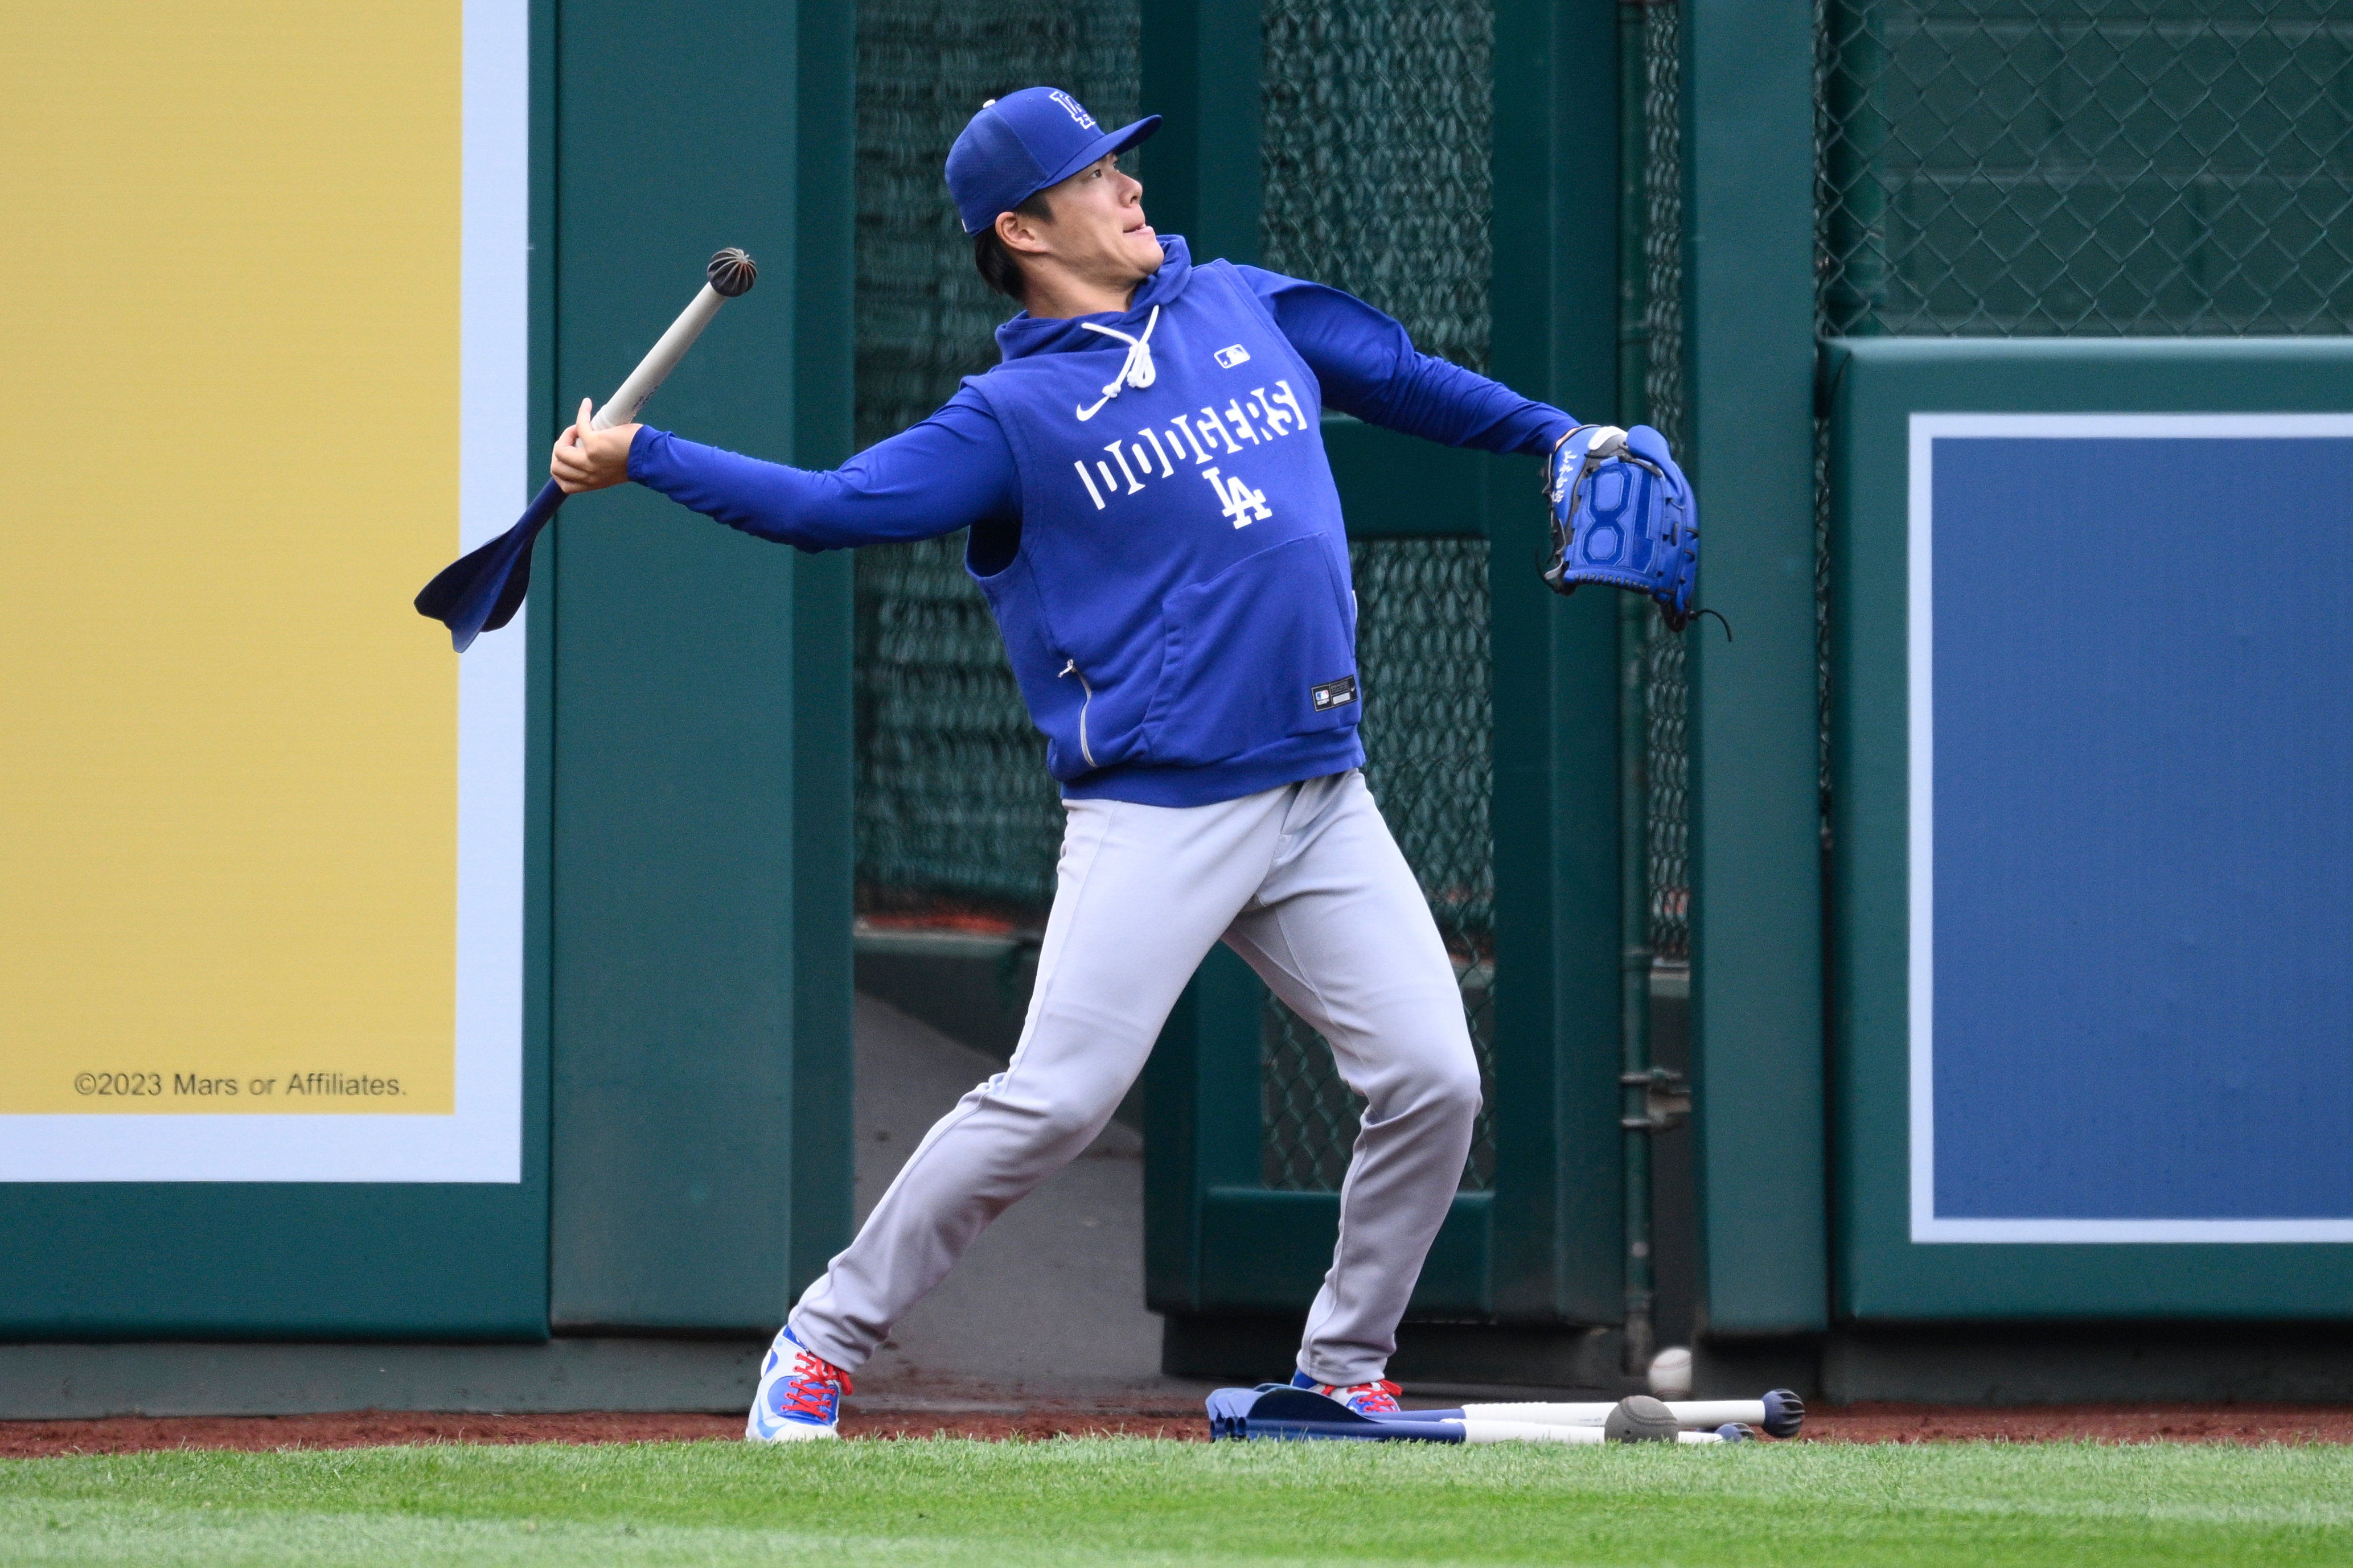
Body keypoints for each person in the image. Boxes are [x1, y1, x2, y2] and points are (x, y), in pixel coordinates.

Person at [551, 86, 1600, 1441]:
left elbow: (1399, 379)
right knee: (1050, 1105)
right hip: (1160, 810)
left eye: (1121, 163)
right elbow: (836, 509)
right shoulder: (1009, 415)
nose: (1130, 186)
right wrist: (648, 454)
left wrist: (1556, 433)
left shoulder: (1237, 301)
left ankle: (1340, 1371)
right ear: (1024, 229)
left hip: (1321, 791)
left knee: (1434, 1079)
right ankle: (822, 1338)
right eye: (1097, 175)